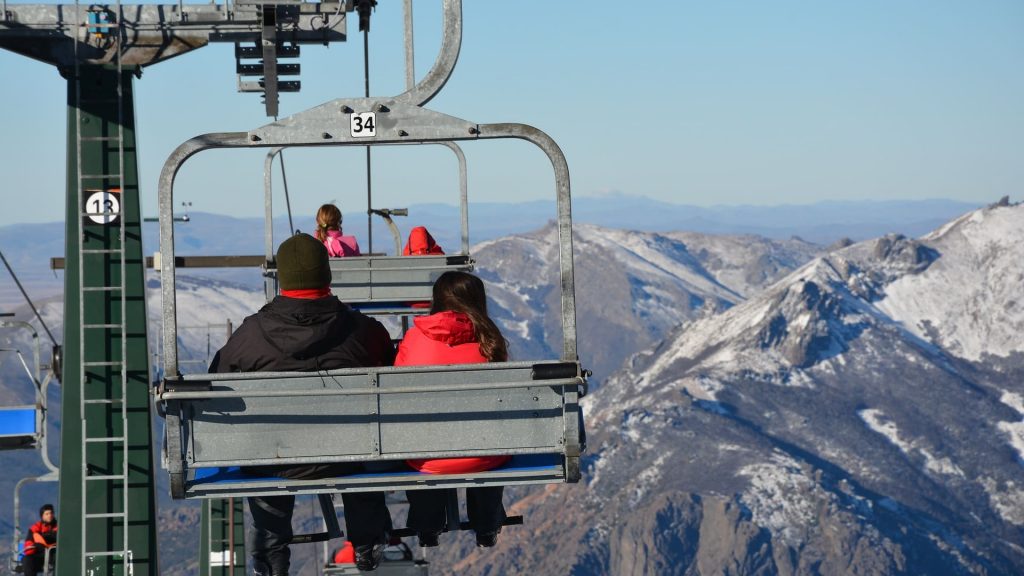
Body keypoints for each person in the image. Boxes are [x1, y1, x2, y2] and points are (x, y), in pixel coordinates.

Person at [209, 233, 394, 575]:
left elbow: (217, 383)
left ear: (283, 278)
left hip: (278, 460)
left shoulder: (249, 336)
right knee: (366, 444)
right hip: (348, 457)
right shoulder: (366, 332)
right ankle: (367, 541)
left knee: (265, 448)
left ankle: (271, 556)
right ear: (327, 275)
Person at [396, 271, 510, 549]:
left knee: (424, 442)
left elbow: (396, 393)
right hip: (482, 456)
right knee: (485, 444)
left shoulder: (414, 338)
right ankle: (486, 524)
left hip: (427, 458)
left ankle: (427, 524)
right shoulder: (491, 342)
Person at [22, 504, 57, 576]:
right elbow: (28, 544)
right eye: (47, 514)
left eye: (51, 513)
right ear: (42, 516)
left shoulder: (58, 526)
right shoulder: (35, 528)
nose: (49, 515)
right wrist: (35, 546)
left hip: (54, 554)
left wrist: (44, 538)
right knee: (27, 560)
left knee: (57, 561)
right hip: (40, 555)